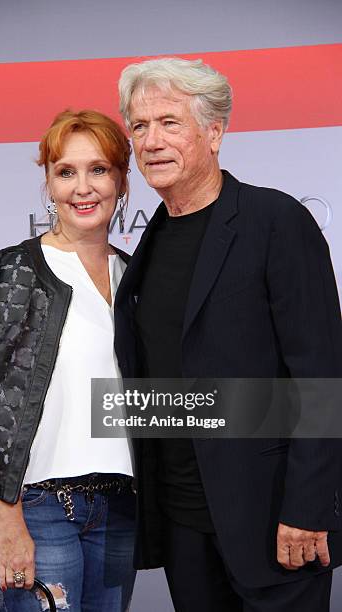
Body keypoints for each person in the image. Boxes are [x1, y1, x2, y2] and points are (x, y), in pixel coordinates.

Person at [114, 57, 342, 611]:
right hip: (184, 525)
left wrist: (309, 510)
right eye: (139, 127)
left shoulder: (275, 221)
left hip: (274, 523)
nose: (151, 141)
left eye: (169, 122)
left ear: (214, 132)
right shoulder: (149, 245)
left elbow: (322, 375)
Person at [0, 109, 136, 612]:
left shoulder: (138, 276)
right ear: (48, 183)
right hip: (35, 509)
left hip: (120, 509)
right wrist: (7, 521)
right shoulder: (8, 271)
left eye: (98, 169)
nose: (82, 187)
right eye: (65, 172)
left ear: (121, 179)